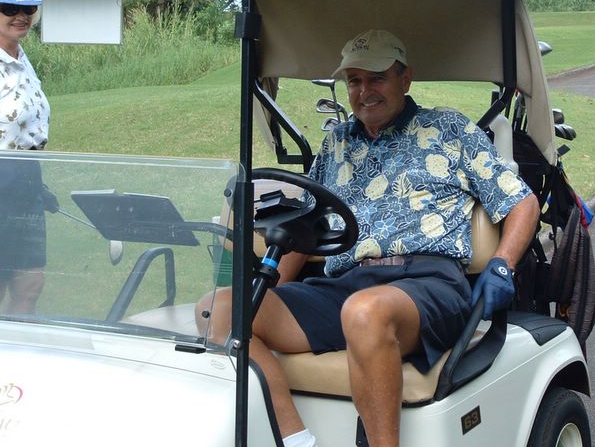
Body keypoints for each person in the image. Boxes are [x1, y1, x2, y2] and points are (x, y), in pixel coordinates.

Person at [202, 29, 540, 447]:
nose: (365, 92)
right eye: (354, 81)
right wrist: (268, 294)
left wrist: (502, 263)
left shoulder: (448, 129)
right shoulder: (337, 143)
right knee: (221, 310)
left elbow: (521, 201)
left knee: (364, 312)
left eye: (377, 78)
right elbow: (305, 225)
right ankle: (295, 440)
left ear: (405, 78)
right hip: (344, 287)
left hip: (428, 283)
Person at [0, 0, 53, 314]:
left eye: (28, 8)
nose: (21, 16)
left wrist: (34, 184)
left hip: (26, 180)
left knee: (29, 285)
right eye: (9, 8)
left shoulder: (22, 58)